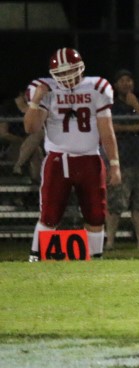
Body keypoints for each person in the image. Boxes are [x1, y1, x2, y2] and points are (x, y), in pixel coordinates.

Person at [23, 47, 122, 261]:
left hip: (90, 158)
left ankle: (94, 259)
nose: (67, 77)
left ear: (81, 68)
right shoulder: (45, 88)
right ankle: (36, 258)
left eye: (71, 71)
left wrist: (114, 163)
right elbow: (31, 128)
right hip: (59, 159)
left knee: (96, 215)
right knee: (49, 215)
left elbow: (106, 129)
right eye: (62, 73)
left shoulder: (97, 87)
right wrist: (36, 100)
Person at [106, 69, 139, 249]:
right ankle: (110, 241)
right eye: (122, 80)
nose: (126, 83)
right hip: (120, 161)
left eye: (129, 80)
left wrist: (135, 105)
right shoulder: (110, 106)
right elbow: (110, 128)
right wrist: (137, 127)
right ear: (115, 85)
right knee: (115, 203)